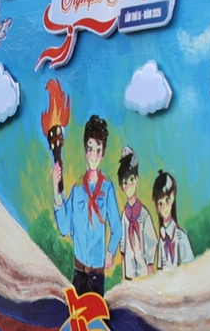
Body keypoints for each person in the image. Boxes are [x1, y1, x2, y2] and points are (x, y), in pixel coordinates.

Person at [52, 114, 123, 294]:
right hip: (79, 273)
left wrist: (110, 252)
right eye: (90, 149)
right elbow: (64, 228)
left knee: (97, 312)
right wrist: (56, 191)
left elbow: (117, 227)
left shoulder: (107, 188)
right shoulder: (77, 189)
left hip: (97, 274)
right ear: (85, 151)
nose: (93, 155)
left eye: (98, 150)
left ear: (103, 154)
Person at [117, 148, 155, 280]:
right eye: (125, 183)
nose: (128, 186)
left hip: (144, 275)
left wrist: (151, 278)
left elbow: (150, 246)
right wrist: (123, 279)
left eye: (131, 180)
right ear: (122, 187)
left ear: (137, 180)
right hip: (129, 276)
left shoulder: (144, 215)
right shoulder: (124, 217)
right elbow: (122, 251)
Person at [152, 170, 192, 269]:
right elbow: (161, 271)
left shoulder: (181, 237)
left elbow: (190, 269)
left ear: (172, 197)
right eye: (160, 203)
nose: (164, 207)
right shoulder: (161, 240)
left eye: (167, 200)